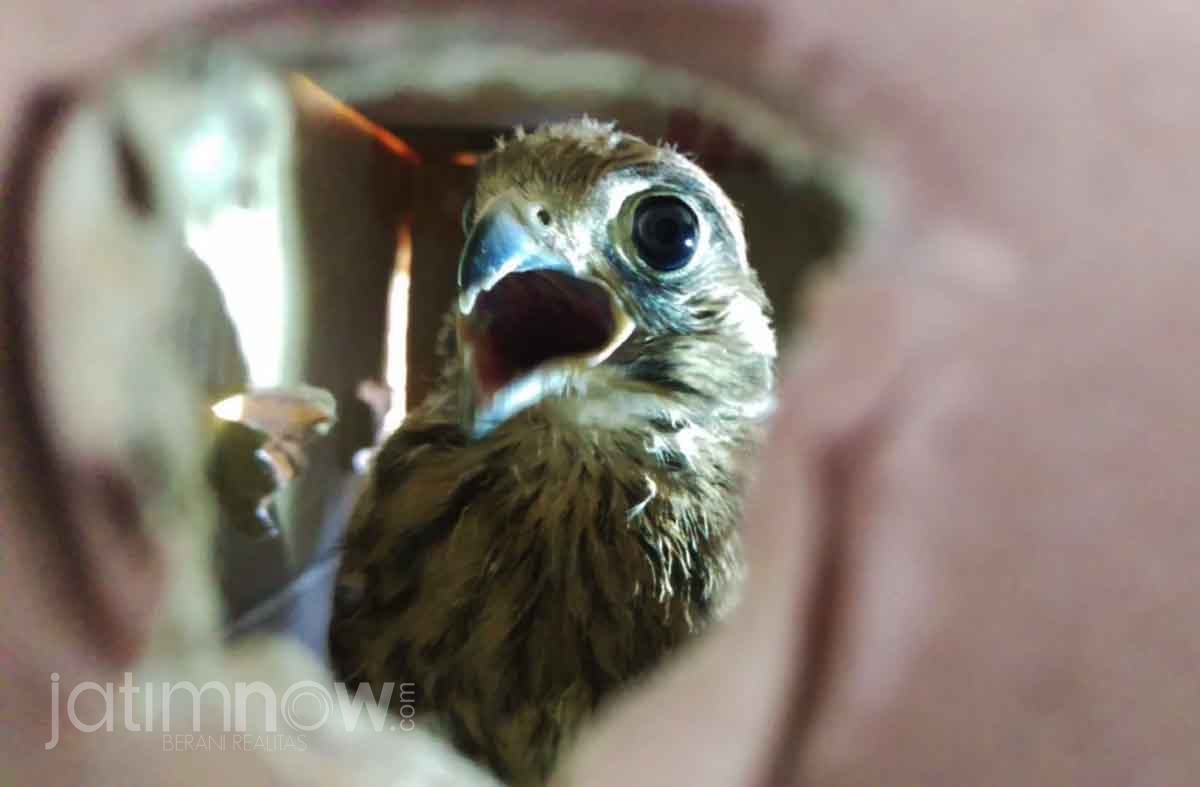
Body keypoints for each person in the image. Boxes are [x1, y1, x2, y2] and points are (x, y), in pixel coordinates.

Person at [3, 2, 1199, 785]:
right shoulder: (415, 504)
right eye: (495, 232)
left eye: (659, 235)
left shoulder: (814, 533)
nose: (522, 245)